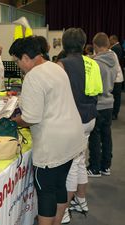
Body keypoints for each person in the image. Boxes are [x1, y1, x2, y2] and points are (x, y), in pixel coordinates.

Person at [9, 36, 85, 225]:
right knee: (59, 185)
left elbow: (30, 118)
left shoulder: (33, 76)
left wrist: (12, 121)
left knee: (46, 192)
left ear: (26, 57)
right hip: (72, 138)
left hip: (53, 145)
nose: (18, 65)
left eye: (17, 61)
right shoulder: (55, 67)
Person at [57, 28, 100, 224]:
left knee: (71, 165)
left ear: (64, 44)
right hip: (90, 117)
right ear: (83, 44)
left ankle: (64, 209)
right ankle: (81, 200)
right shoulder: (92, 63)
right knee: (80, 159)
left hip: (73, 120)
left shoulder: (62, 65)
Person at [87, 32, 118, 177]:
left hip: (98, 104)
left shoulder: (96, 64)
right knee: (107, 136)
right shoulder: (113, 60)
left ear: (95, 46)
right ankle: (106, 166)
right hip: (109, 102)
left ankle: (94, 167)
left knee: (95, 137)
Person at [109, 35, 124, 120]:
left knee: (116, 98)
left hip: (116, 78)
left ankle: (114, 114)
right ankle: (114, 113)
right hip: (117, 77)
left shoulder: (114, 50)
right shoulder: (117, 48)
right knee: (116, 97)